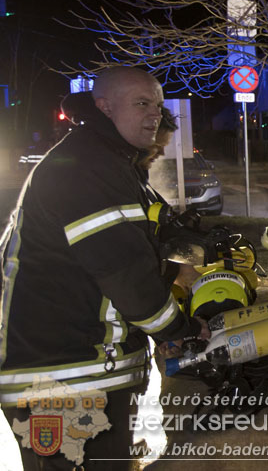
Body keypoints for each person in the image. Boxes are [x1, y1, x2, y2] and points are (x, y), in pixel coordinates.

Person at [0, 67, 209, 470]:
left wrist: (171, 273)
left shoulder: (106, 159)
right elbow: (123, 271)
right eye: (142, 103)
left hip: (82, 374)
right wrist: (176, 331)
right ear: (104, 106)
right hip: (62, 382)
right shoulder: (86, 165)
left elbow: (109, 256)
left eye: (159, 105)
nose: (155, 115)